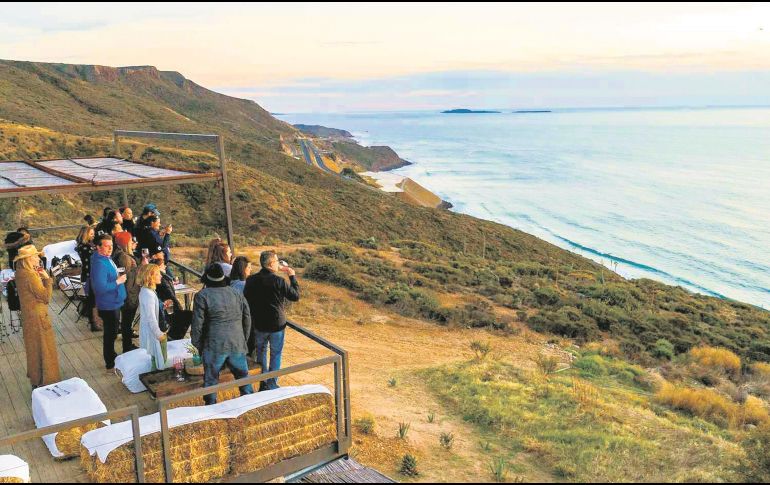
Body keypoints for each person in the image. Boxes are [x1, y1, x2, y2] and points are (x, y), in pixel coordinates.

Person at [192, 264, 253, 405]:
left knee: (211, 381)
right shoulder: (236, 293)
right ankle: (250, 405)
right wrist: (243, 339)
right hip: (237, 342)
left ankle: (211, 409)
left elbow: (197, 325)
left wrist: (198, 345)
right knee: (244, 378)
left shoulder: (202, 295)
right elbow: (247, 318)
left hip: (214, 345)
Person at [243, 250, 300, 391]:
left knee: (261, 352)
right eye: (276, 261)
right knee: (275, 354)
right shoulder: (279, 281)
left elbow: (246, 300)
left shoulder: (251, 280)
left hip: (259, 324)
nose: (278, 264)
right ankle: (272, 384)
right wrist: (292, 277)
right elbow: (295, 296)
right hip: (276, 325)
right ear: (270, 264)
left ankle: (262, 381)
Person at [13, 245, 61, 388]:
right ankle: (47, 381)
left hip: (29, 317)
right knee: (45, 349)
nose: (37, 258)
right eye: (34, 256)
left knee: (34, 350)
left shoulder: (20, 272)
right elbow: (45, 297)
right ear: (27, 259)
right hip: (38, 318)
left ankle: (37, 379)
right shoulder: (30, 275)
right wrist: (47, 279)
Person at [90, 234, 127, 371]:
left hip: (114, 302)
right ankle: (110, 363)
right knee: (110, 334)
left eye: (111, 245)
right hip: (109, 304)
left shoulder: (105, 258)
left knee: (112, 333)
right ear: (98, 247)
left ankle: (111, 356)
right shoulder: (100, 264)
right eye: (106, 246)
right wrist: (118, 281)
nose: (110, 248)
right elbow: (100, 288)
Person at [150, 251, 189, 340]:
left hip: (165, 307)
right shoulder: (162, 280)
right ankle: (174, 338)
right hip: (168, 308)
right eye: (163, 265)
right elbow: (170, 295)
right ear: (159, 268)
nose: (165, 266)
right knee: (186, 316)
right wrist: (179, 307)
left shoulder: (163, 278)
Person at [137, 264, 168, 370]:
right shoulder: (148, 294)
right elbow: (151, 317)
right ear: (150, 276)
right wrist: (159, 334)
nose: (161, 276)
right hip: (152, 332)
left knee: (155, 359)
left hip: (151, 331)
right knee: (159, 360)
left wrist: (161, 305)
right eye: (158, 274)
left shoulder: (147, 291)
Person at [112, 231, 140, 353]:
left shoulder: (118, 254)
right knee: (127, 322)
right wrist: (141, 267)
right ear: (126, 243)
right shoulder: (124, 257)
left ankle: (127, 345)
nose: (134, 242)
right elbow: (126, 277)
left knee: (126, 322)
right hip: (129, 294)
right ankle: (127, 347)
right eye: (131, 240)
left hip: (126, 293)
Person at [75, 225, 101, 331]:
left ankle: (96, 322)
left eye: (94, 234)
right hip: (89, 276)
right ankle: (94, 323)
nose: (93, 236)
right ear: (86, 235)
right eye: (91, 234)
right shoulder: (85, 247)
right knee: (92, 301)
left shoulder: (88, 246)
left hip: (89, 275)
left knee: (93, 300)